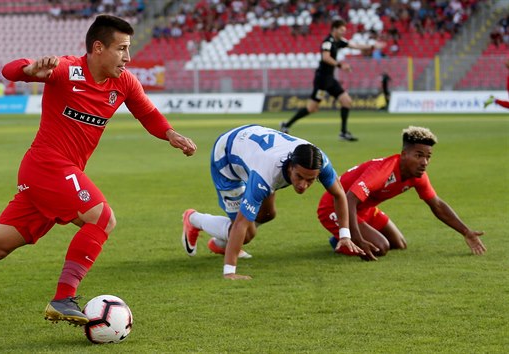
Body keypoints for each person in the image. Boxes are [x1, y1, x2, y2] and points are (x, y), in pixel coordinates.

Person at [0, 14, 197, 333]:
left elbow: (147, 113)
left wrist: (170, 134)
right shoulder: (68, 70)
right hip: (48, 165)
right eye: (122, 48)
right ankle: (63, 298)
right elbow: (9, 70)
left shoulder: (124, 82)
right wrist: (28, 70)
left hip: (51, 177)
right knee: (103, 218)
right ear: (98, 48)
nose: (128, 57)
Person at [181, 124, 363, 280]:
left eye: (310, 180)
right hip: (227, 158)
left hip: (252, 145)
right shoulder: (265, 175)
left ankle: (221, 244)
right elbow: (241, 223)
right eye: (299, 177)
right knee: (246, 234)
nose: (303, 185)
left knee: (268, 214)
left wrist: (345, 235)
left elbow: (339, 194)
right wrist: (230, 272)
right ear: (290, 166)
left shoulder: (319, 162)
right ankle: (193, 219)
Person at [318, 126, 486, 261]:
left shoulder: (416, 175)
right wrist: (356, 238)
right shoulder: (382, 171)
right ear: (404, 154)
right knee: (381, 248)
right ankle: (341, 239)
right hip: (335, 207)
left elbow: (437, 205)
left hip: (364, 208)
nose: (424, 162)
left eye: (428, 156)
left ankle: (340, 236)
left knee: (399, 244)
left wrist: (466, 231)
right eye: (419, 155)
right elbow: (349, 199)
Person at [280, 19, 383, 141]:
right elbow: (325, 57)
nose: (343, 32)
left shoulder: (338, 41)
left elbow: (354, 46)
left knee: (347, 101)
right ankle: (286, 125)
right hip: (322, 80)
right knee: (312, 108)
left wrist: (371, 46)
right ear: (334, 29)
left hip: (330, 79)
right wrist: (340, 65)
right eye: (342, 30)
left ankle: (343, 133)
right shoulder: (327, 42)